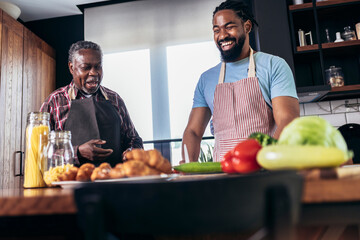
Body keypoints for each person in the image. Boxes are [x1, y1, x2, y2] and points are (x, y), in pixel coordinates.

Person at [182, 0, 299, 162]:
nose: (222, 36)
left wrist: (267, 160)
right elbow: (193, 131)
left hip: (264, 168)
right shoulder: (206, 79)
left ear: (247, 27)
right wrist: (188, 166)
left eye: (229, 27)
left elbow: (288, 120)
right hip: (222, 174)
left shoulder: (273, 65)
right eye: (217, 30)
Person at [40, 40, 143, 167]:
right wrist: (77, 152)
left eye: (98, 66)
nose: (94, 73)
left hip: (113, 181)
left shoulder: (115, 99)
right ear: (71, 68)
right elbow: (41, 150)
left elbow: (134, 139)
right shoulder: (54, 101)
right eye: (86, 67)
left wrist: (131, 151)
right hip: (70, 183)